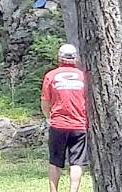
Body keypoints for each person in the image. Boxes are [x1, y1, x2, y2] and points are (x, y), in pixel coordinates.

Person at [41, 44, 87, 192]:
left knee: (55, 161)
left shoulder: (51, 76)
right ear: (76, 58)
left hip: (58, 124)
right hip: (79, 125)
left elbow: (45, 102)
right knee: (76, 163)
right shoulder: (83, 76)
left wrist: (49, 117)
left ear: (59, 58)